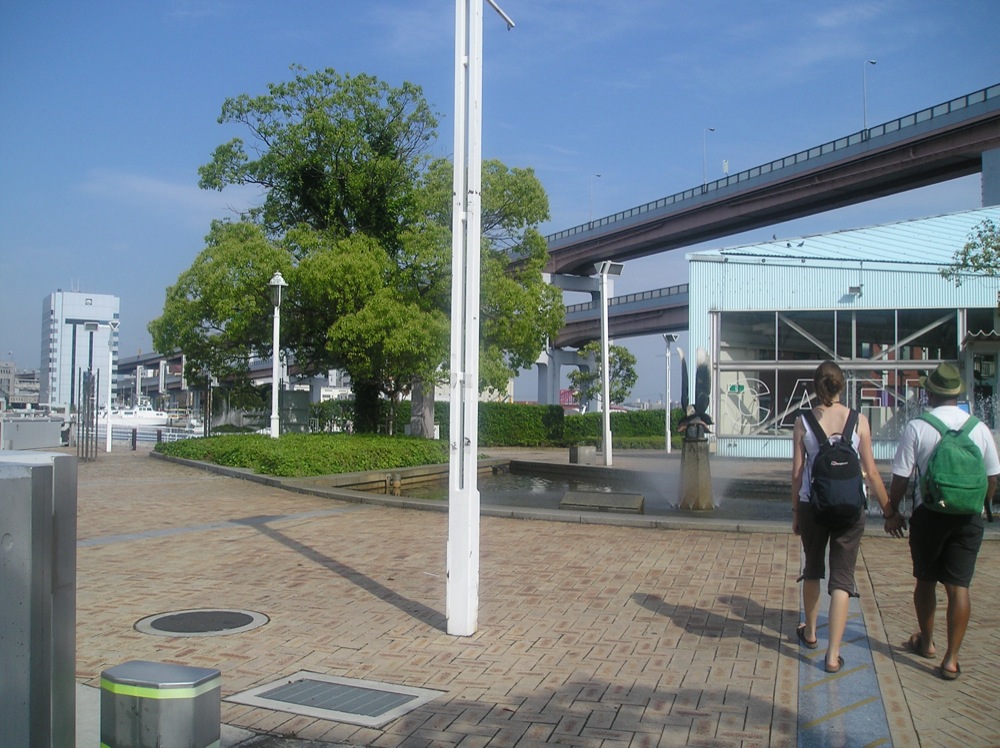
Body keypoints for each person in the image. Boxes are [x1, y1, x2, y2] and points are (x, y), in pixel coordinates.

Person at [884, 362, 999, 680]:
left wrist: (891, 512)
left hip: (929, 515)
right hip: (968, 517)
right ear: (958, 394)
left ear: (929, 393)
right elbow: (993, 478)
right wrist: (978, 505)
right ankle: (951, 659)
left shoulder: (918, 426)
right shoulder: (978, 427)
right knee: (959, 588)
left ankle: (928, 643)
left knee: (925, 580)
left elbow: (901, 479)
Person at [792, 361, 899, 673]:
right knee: (842, 577)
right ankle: (833, 655)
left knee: (812, 569)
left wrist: (796, 512)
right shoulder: (859, 421)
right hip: (852, 508)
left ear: (815, 386)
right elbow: (873, 472)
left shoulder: (803, 421)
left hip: (813, 506)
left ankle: (810, 633)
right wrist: (889, 510)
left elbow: (797, 474)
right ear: (842, 386)